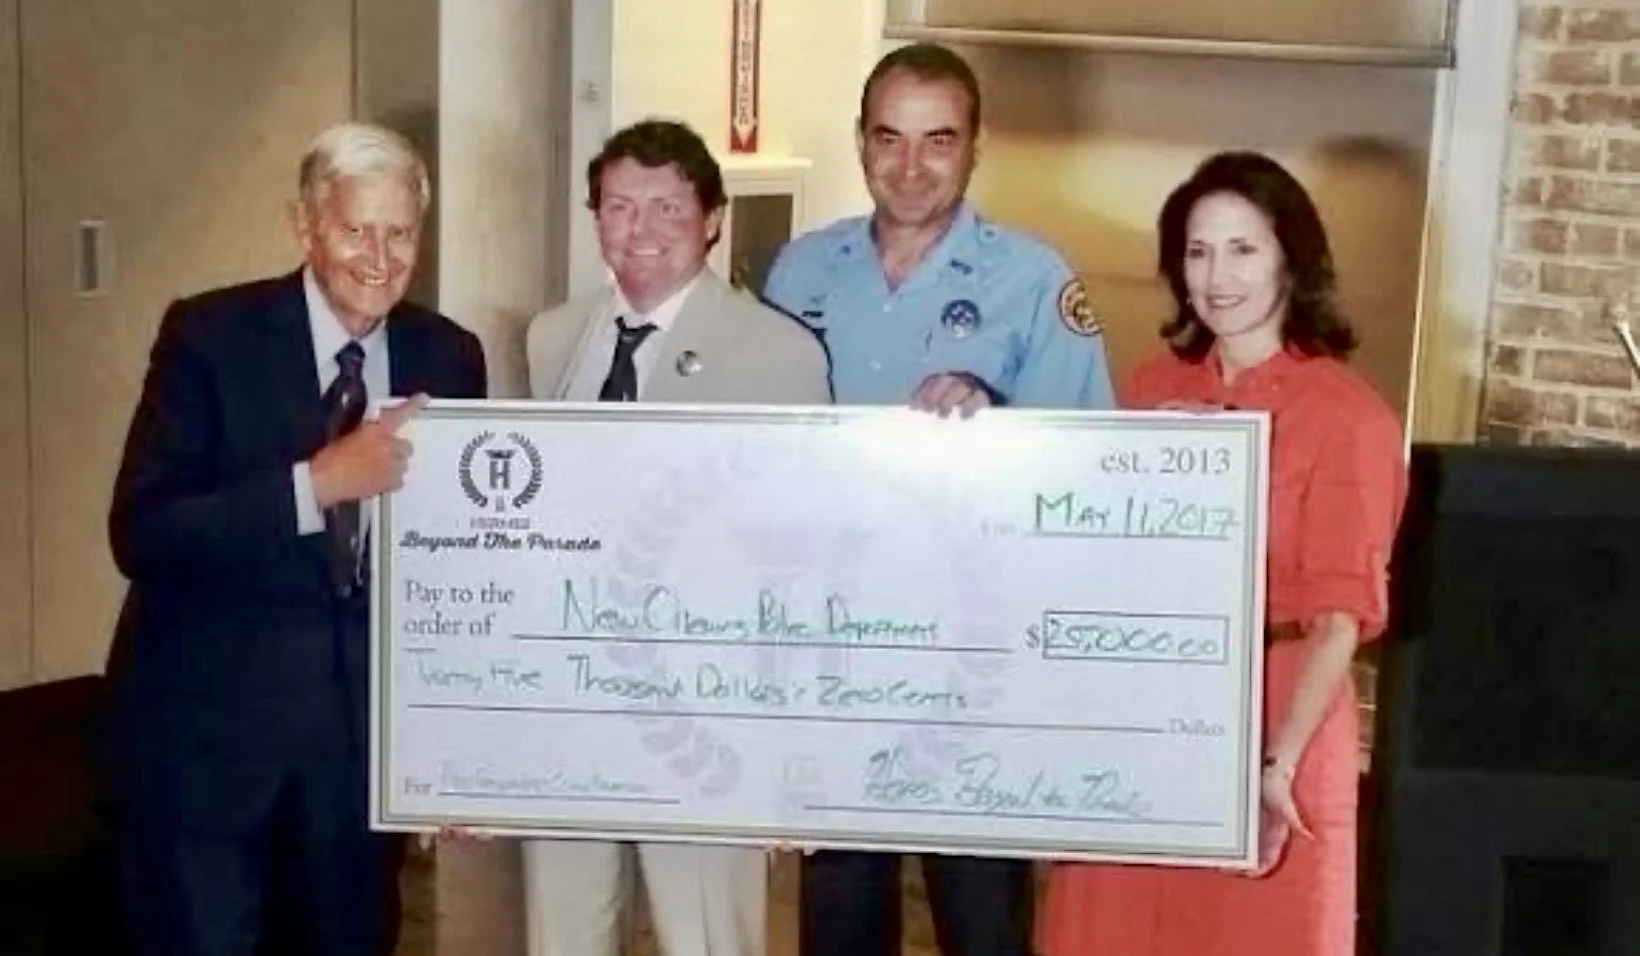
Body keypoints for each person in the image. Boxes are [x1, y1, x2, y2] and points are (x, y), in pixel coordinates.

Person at [760, 42, 1114, 956]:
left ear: (975, 148)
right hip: (833, 647)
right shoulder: (798, 272)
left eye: (938, 140)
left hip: (977, 650)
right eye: (889, 138)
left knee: (982, 913)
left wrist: (993, 417)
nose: (911, 166)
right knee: (838, 911)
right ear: (860, 142)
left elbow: (1090, 467)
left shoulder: (1034, 281)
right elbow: (758, 460)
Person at [102, 122, 488, 956]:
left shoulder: (449, 355)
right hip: (209, 755)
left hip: (354, 774)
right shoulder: (208, 338)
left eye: (401, 233)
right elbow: (143, 530)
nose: (379, 258)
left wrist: (454, 750)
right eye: (355, 230)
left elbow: (461, 574)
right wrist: (317, 486)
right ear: (305, 226)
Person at [1037, 151, 1408, 956]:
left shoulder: (1351, 417)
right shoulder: (1150, 384)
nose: (1218, 276)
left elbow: (1340, 622)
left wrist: (1274, 767)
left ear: (1291, 260)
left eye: (1244, 249)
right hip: (1147, 712)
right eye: (1198, 252)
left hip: (1280, 716)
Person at [522, 118, 829, 956]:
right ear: (595, 220)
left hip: (708, 716)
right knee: (565, 934)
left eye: (667, 207)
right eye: (619, 206)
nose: (642, 230)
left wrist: (787, 752)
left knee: (708, 941)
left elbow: (797, 563)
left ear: (714, 219)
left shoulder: (780, 352)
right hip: (575, 707)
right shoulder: (552, 339)